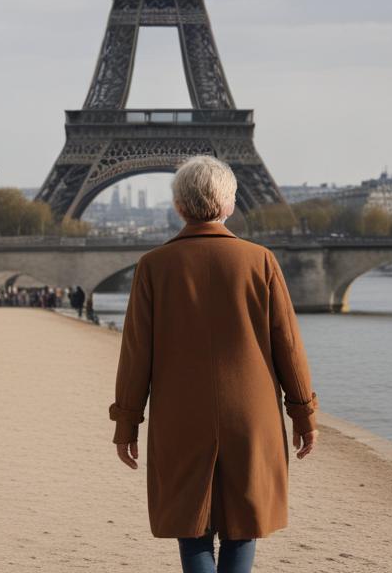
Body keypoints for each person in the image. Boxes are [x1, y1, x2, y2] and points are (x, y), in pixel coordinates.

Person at [110, 156, 319, 573]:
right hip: (251, 414)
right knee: (243, 528)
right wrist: (303, 414)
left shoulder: (153, 266)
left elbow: (136, 356)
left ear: (178, 207)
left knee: (191, 528)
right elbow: (289, 348)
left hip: (180, 416)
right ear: (230, 204)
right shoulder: (261, 261)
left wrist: (127, 424)